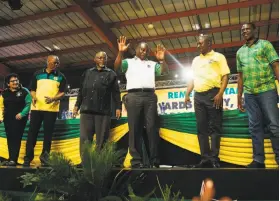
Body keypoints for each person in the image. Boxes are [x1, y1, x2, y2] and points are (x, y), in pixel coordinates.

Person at [114, 36, 168, 168]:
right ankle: (136, 161)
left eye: (146, 50)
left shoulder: (153, 64)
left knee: (152, 128)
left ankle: (154, 160)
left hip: (150, 96)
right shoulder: (128, 62)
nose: (144, 52)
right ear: (136, 50)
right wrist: (120, 52)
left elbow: (163, 72)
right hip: (133, 96)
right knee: (134, 128)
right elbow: (117, 67)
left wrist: (161, 60)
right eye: (141, 49)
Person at [237, 23, 279, 168]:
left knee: (274, 125)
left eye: (248, 29)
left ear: (255, 30)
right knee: (254, 127)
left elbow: (276, 66)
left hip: (267, 90)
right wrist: (239, 97)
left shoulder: (265, 45)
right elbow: (240, 77)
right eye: (243, 30)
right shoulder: (240, 52)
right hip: (249, 94)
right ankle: (259, 160)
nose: (245, 31)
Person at [185, 35, 230, 168]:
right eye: (197, 44)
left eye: (200, 43)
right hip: (198, 96)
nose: (198, 46)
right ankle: (205, 158)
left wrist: (220, 94)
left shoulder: (219, 57)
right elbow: (192, 79)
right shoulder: (195, 60)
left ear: (209, 43)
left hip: (213, 94)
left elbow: (225, 76)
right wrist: (187, 93)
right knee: (201, 128)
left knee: (215, 127)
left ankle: (214, 159)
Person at [73, 51, 121, 160]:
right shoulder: (87, 73)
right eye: (99, 58)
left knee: (102, 140)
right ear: (95, 59)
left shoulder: (111, 74)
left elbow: (116, 93)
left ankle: (99, 164)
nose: (102, 60)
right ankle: (86, 163)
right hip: (86, 111)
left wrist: (118, 107)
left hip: (103, 112)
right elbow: (81, 91)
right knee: (85, 140)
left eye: (104, 58)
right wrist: (77, 106)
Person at [23, 55, 67, 167]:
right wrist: (33, 96)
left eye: (57, 63)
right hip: (37, 108)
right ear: (47, 62)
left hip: (51, 110)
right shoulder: (37, 74)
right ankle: (27, 159)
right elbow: (32, 90)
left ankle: (45, 159)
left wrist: (53, 98)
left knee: (48, 135)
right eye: (53, 62)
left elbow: (62, 92)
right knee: (32, 133)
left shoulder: (61, 77)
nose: (55, 65)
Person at [0, 74, 31, 166]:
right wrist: (1, 117)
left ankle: (13, 159)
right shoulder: (4, 93)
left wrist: (22, 114)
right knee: (10, 138)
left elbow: (28, 104)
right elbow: (1, 106)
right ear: (8, 84)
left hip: (19, 119)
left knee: (16, 138)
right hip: (8, 118)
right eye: (13, 81)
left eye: (16, 80)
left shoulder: (24, 91)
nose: (15, 82)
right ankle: (11, 159)